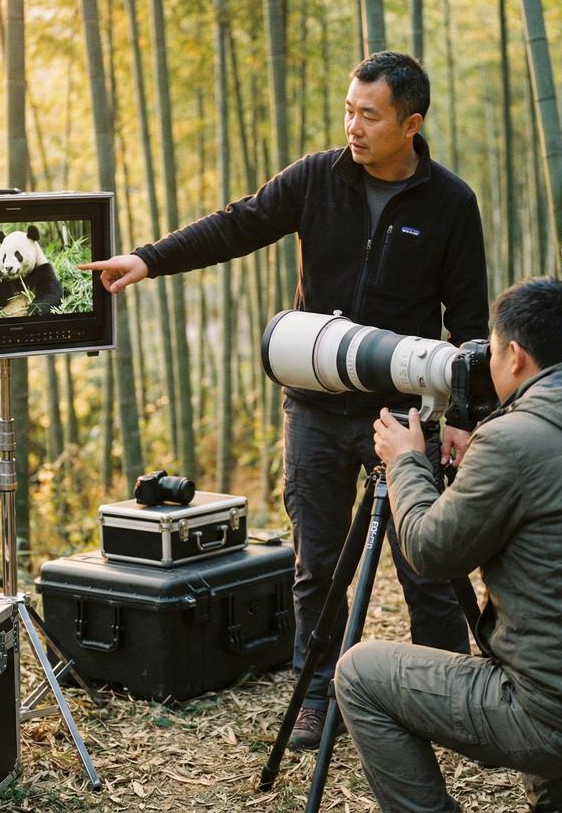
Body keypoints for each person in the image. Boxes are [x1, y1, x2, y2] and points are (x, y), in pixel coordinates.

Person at [81, 51, 489, 749]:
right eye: (348, 110)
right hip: (314, 403)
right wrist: (148, 258)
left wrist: (462, 418)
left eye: (370, 115)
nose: (353, 127)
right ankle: (316, 693)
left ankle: (444, 694)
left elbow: (472, 323)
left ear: (411, 124)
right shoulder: (316, 177)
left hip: (402, 413)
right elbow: (236, 224)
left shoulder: (451, 203)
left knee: (428, 562)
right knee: (317, 563)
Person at [336, 277, 562, 813]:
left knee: (359, 673)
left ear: (517, 355)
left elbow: (430, 553)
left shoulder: (511, 441)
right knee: (553, 645)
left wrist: (405, 461)